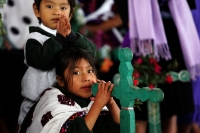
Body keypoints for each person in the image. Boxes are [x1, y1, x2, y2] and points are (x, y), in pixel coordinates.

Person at [18, 0, 97, 128]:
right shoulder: (35, 38)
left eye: (63, 7)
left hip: (67, 102)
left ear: (71, 13)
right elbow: (41, 60)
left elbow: (91, 54)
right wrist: (59, 38)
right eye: (49, 6)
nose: (56, 12)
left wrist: (71, 37)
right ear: (37, 10)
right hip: (36, 102)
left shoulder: (71, 38)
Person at [19, 47, 120, 133]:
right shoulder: (53, 101)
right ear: (61, 81)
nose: (87, 78)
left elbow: (120, 127)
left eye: (90, 71)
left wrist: (110, 102)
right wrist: (98, 104)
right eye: (76, 73)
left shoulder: (92, 101)